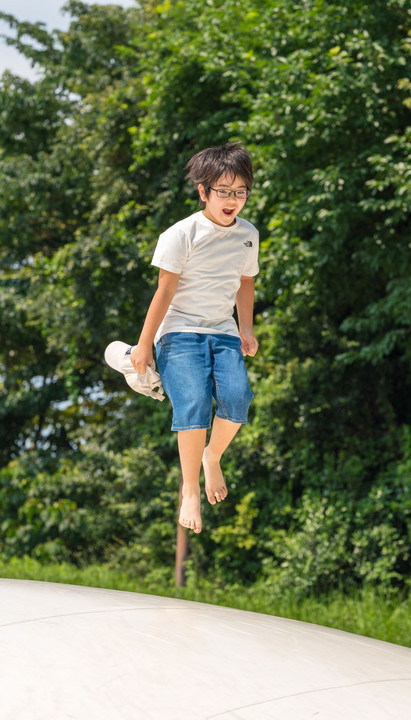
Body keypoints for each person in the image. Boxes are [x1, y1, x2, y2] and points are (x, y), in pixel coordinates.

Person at [130, 143, 259, 534]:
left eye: (240, 192)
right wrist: (144, 342)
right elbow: (164, 292)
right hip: (180, 330)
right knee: (196, 402)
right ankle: (189, 488)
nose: (232, 200)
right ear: (203, 192)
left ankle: (212, 458)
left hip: (221, 329)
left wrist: (246, 327)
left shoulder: (248, 234)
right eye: (223, 191)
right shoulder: (181, 233)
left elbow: (245, 283)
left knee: (238, 399)